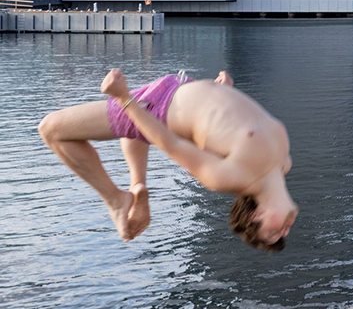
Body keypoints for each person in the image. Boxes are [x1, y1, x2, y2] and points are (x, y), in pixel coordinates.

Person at [38, 69, 297, 250]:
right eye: (283, 234)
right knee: (132, 130)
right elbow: (233, 133)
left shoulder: (227, 178)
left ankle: (115, 199)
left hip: (160, 108)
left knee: (51, 129)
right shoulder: (282, 163)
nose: (285, 230)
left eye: (273, 232)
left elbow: (168, 142)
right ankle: (136, 185)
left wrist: (124, 98)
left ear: (257, 214)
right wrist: (224, 94)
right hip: (181, 86)